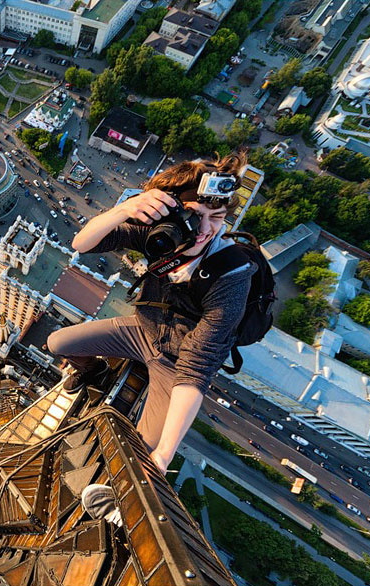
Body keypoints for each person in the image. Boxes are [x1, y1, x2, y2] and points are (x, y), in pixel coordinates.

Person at [46, 153, 254, 475]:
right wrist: (124, 209)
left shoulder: (231, 274)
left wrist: (165, 456)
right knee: (58, 343)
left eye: (217, 217)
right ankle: (93, 372)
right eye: (195, 214)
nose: (204, 229)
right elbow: (83, 243)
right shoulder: (164, 236)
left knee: (143, 450)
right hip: (142, 330)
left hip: (176, 360)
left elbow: (197, 365)